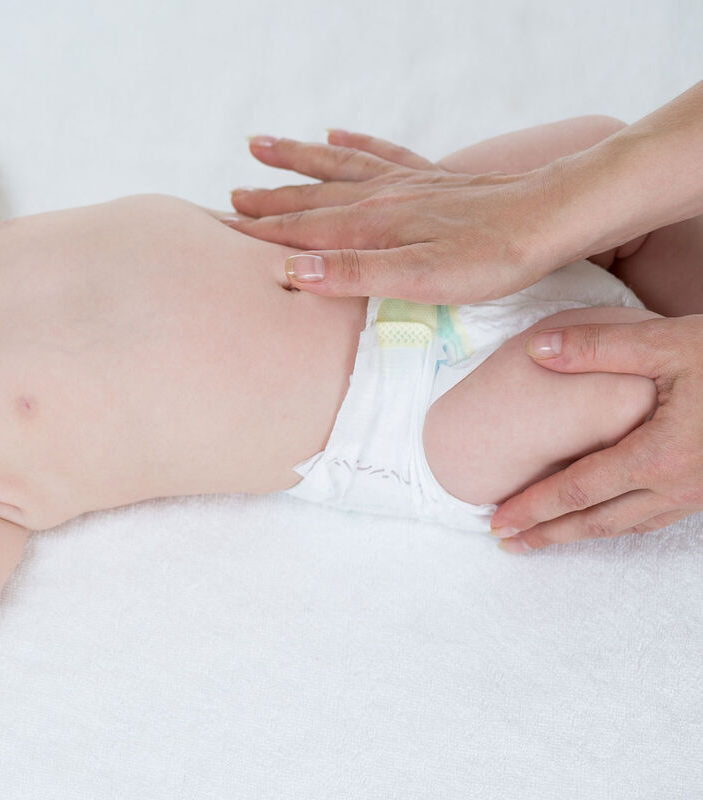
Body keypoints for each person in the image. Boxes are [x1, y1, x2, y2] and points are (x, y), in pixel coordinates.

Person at [0, 117, 681, 670]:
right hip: (399, 413)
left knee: (592, 159)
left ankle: (653, 265)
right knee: (590, 378)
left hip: (399, 245)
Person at [228, 81, 703, 553]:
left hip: (421, 397)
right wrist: (548, 204)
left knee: (632, 397)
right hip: (464, 238)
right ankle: (549, 202)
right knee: (600, 139)